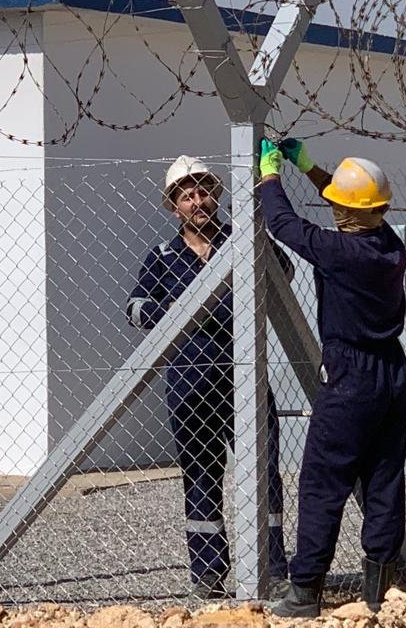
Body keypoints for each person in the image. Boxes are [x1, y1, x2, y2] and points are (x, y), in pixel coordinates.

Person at [258, 138, 406, 618]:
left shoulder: (341, 251)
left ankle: (305, 591)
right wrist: (310, 169)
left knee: (322, 483)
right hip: (394, 372)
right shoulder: (388, 244)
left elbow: (284, 224)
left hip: (351, 377)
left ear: (345, 212)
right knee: (384, 479)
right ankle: (381, 592)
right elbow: (349, 202)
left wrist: (269, 174)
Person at [126, 155, 292, 599]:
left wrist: (256, 234)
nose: (197, 201)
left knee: (264, 474)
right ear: (173, 206)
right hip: (189, 385)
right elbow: (136, 308)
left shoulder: (240, 242)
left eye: (203, 192)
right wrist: (184, 312)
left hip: (245, 379)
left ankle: (273, 570)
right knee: (200, 476)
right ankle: (208, 573)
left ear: (216, 195)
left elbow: (284, 273)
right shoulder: (163, 257)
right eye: (187, 196)